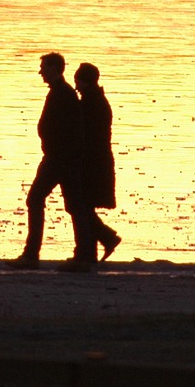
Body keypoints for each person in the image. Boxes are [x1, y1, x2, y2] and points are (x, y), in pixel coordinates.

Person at [13, 52, 91, 267]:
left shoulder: (63, 94)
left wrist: (56, 150)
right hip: (62, 157)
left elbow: (69, 129)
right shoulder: (61, 92)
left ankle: (32, 255)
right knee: (74, 205)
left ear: (55, 69)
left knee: (37, 199)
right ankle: (82, 255)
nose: (40, 72)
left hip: (59, 158)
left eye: (44, 68)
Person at [74, 62, 121, 264]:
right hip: (97, 160)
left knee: (81, 206)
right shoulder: (95, 100)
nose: (76, 86)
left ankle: (106, 238)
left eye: (78, 81)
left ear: (84, 81)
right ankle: (90, 252)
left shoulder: (90, 103)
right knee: (85, 205)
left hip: (93, 161)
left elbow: (86, 134)